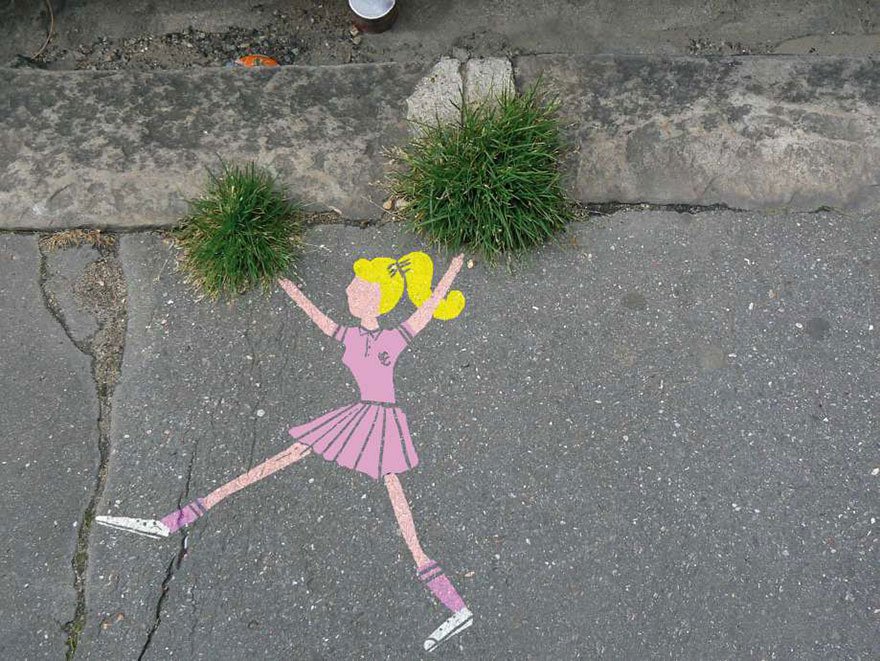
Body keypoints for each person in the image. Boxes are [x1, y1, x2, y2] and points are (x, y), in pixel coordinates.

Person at [97, 251, 472, 652]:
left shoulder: (393, 338)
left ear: (376, 299)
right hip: (359, 415)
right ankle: (173, 521)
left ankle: (454, 604)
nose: (349, 291)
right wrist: (287, 285)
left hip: (379, 422)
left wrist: (452, 269)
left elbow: (427, 309)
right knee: (290, 460)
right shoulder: (350, 336)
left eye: (357, 288)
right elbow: (317, 317)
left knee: (396, 501)